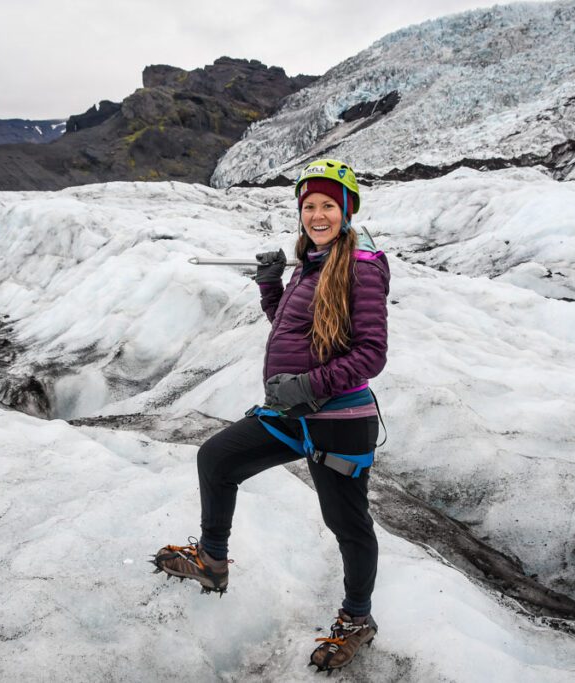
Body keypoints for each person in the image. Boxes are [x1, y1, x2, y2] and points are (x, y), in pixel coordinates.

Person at [153, 158, 390, 673]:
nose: (318, 214)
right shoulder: (313, 264)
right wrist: (270, 286)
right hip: (290, 413)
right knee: (217, 459)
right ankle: (212, 563)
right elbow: (293, 329)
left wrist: (308, 385)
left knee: (347, 524)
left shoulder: (361, 267)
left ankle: (357, 619)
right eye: (309, 206)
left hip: (339, 420)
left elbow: (371, 353)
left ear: (347, 210)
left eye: (329, 205)